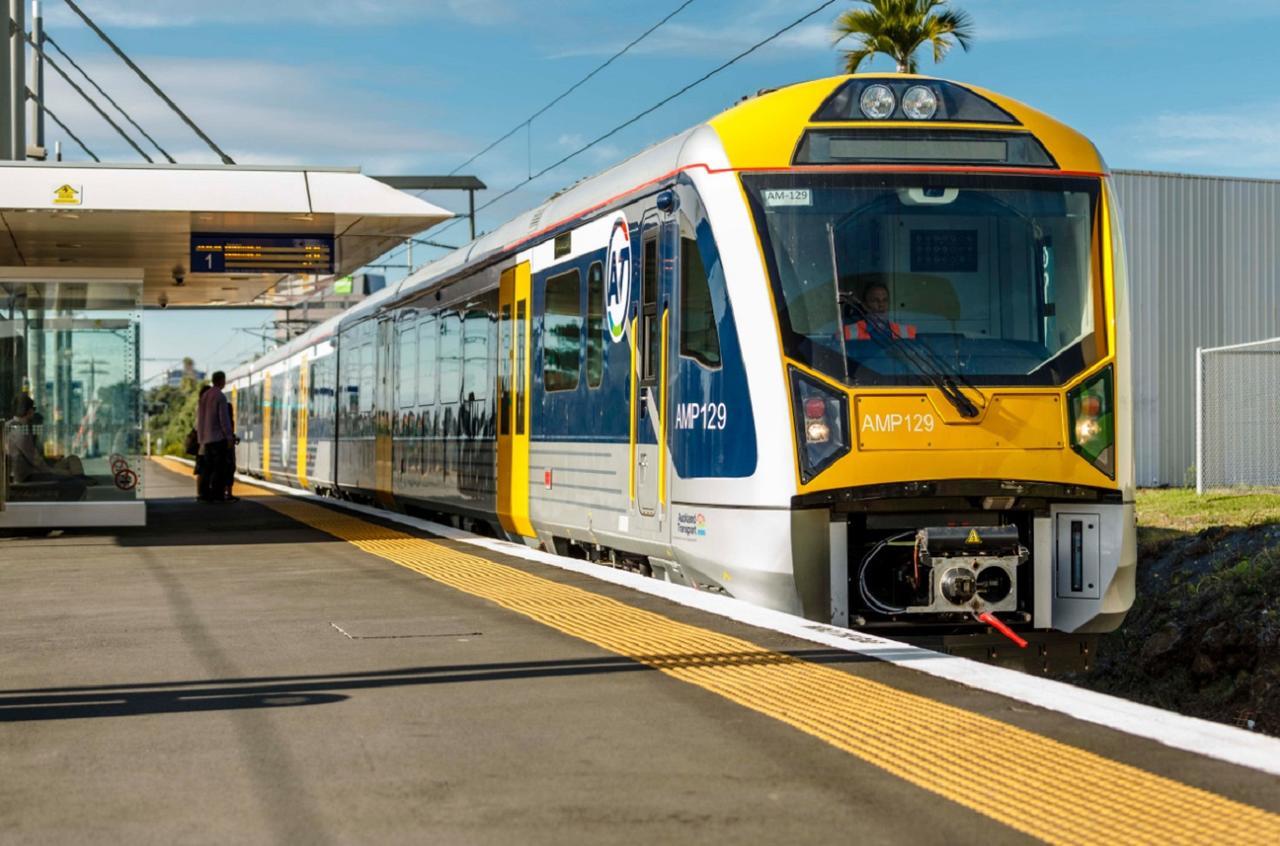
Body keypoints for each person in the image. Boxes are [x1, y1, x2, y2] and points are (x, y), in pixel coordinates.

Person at [5, 395, 88, 500]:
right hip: (27, 476)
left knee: (72, 466)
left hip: (27, 472)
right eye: (33, 409)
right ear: (29, 411)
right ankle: (82, 482)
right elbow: (35, 459)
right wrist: (52, 471)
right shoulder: (20, 431)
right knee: (74, 483)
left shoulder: (9, 425)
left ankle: (81, 479)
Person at [196, 372, 238, 503]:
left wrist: (200, 438)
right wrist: (229, 438)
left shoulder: (205, 396)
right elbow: (224, 420)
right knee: (219, 469)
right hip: (218, 440)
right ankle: (217, 495)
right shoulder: (220, 396)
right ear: (221, 381)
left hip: (206, 440)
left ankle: (204, 495)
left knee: (207, 469)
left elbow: (200, 420)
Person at [846, 282, 916, 341]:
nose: (881, 304)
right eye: (875, 301)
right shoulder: (848, 332)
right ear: (865, 305)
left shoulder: (907, 331)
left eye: (885, 300)